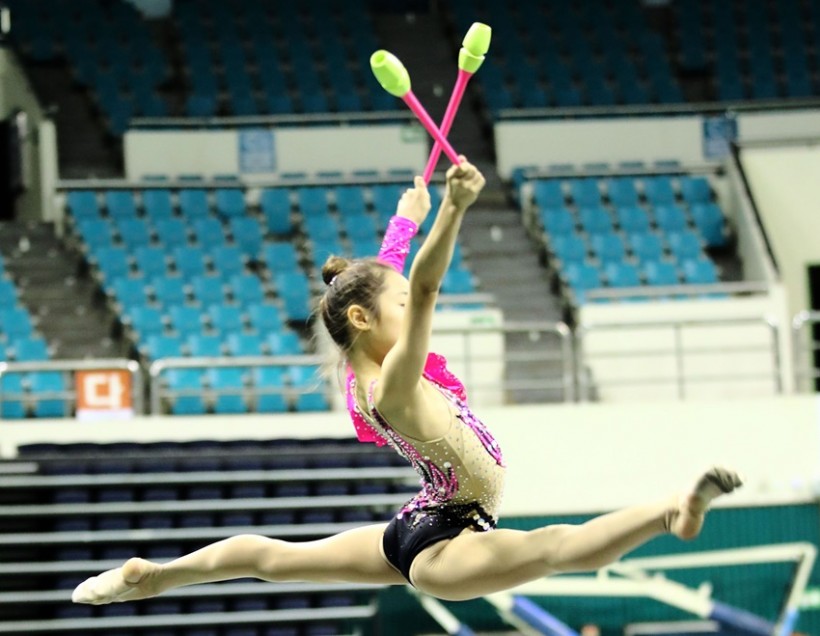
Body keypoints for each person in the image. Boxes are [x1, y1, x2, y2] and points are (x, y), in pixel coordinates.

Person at [72, 157, 742, 607]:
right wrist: (453, 209)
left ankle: (156, 578)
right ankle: (668, 513)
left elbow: (384, 285)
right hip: (447, 542)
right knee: (555, 547)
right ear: (365, 319)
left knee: (269, 558)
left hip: (417, 523)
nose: (414, 310)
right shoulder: (395, 383)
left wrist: (405, 221)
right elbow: (419, 289)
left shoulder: (360, 368)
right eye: (392, 304)